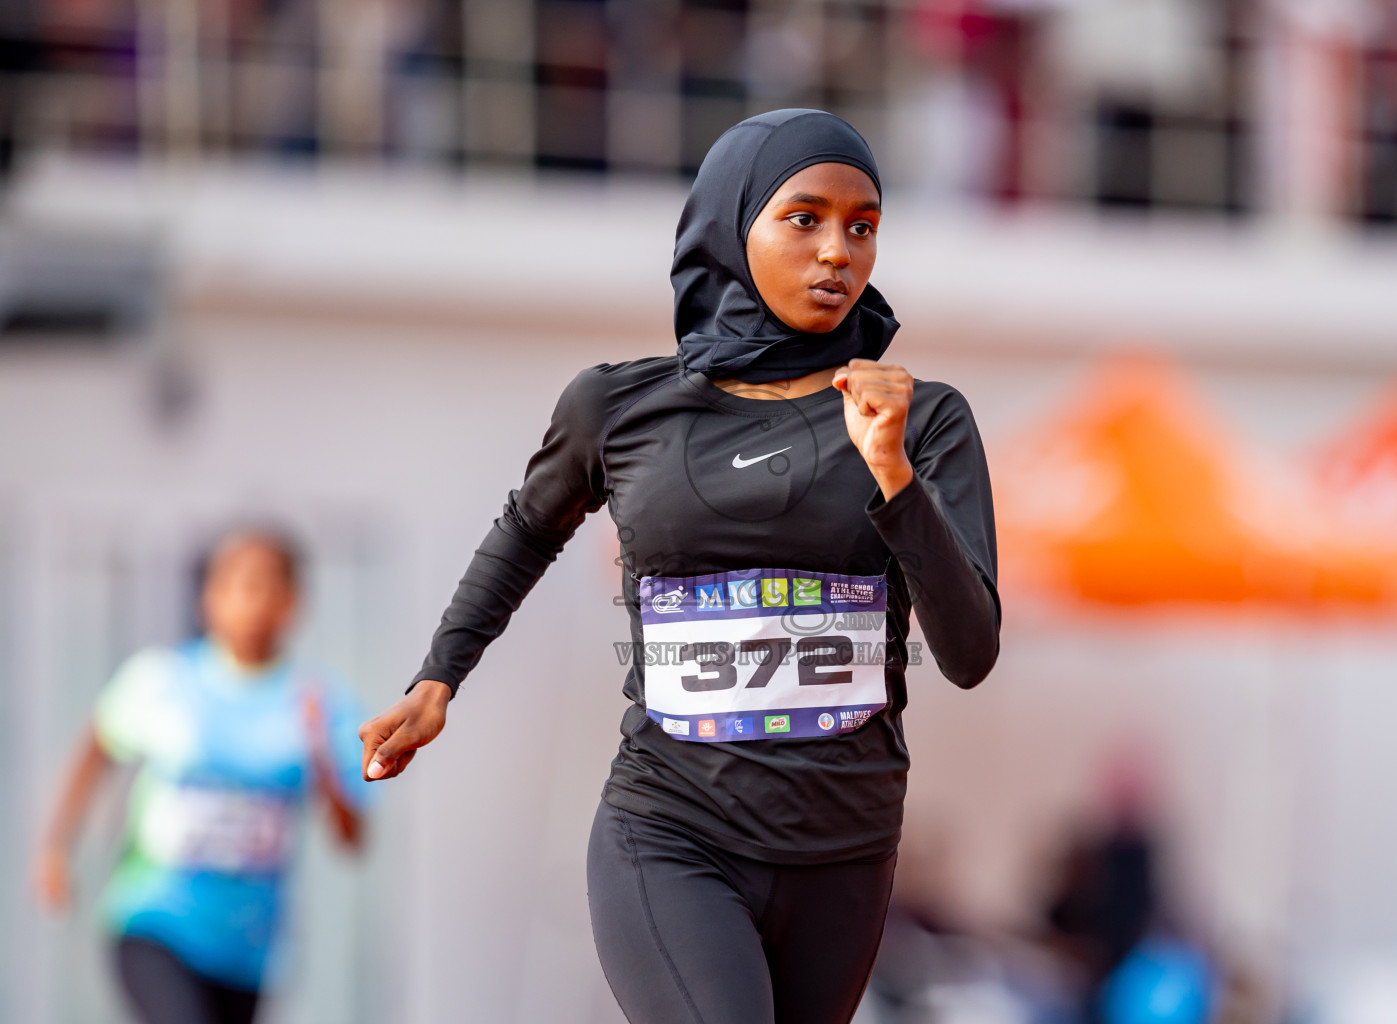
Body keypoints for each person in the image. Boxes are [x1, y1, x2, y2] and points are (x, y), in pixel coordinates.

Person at [359, 107, 1001, 1024]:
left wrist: (893, 471)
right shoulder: (619, 407)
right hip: (672, 832)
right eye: (805, 218)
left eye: (863, 227)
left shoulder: (922, 419)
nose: (837, 253)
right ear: (732, 225)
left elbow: (971, 653)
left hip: (847, 852)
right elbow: (526, 529)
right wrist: (439, 676)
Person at [34, 527, 372, 1024]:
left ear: (292, 602)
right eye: (234, 585)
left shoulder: (319, 703)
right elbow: (96, 747)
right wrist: (56, 848)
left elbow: (352, 836)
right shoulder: (162, 680)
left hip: (247, 948)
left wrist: (324, 766)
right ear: (209, 598)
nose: (249, 602)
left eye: (265, 586)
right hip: (156, 921)